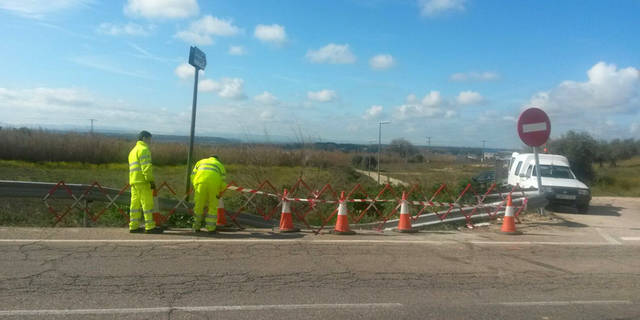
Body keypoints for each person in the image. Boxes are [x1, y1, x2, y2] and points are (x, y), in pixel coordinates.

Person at [128, 130, 163, 234]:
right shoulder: (144, 150)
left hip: (134, 181)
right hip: (143, 182)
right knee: (147, 204)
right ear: (144, 138)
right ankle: (150, 227)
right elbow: (146, 167)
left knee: (135, 205)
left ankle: (133, 226)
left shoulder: (133, 151)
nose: (150, 141)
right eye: (149, 139)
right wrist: (150, 180)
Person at [191, 155, 227, 232]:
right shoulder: (220, 165)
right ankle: (210, 229)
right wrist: (220, 191)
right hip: (214, 185)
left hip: (200, 184)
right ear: (217, 159)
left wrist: (195, 186)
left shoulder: (200, 162)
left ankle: (196, 227)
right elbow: (223, 182)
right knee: (212, 206)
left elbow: (193, 175)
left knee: (198, 206)